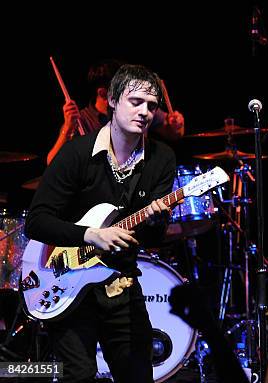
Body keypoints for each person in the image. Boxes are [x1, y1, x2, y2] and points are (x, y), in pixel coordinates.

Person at [26, 64, 177, 382]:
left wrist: (156, 217)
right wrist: (91, 235)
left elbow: (154, 235)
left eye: (151, 106)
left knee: (137, 375)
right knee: (79, 375)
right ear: (111, 100)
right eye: (135, 102)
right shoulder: (76, 154)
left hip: (119, 282)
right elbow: (37, 223)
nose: (145, 112)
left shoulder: (161, 159)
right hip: (68, 284)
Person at [47, 59, 185, 165]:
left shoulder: (137, 108)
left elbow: (174, 134)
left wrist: (177, 126)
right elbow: (52, 163)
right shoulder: (82, 120)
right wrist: (67, 128)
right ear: (102, 92)